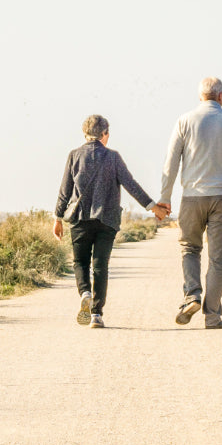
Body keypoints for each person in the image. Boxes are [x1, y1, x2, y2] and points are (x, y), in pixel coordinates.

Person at [154, 77, 222, 329]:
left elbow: (170, 163)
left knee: (190, 249)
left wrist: (165, 197)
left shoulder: (184, 121)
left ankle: (192, 294)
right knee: (219, 261)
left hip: (192, 196)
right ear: (221, 97)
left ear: (200, 96)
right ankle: (212, 315)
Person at [53, 114, 168, 328]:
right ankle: (96, 314)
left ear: (84, 134)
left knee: (80, 262)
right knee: (100, 266)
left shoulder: (74, 156)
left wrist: (58, 217)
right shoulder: (113, 157)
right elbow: (130, 185)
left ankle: (85, 292)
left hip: (80, 219)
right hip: (107, 219)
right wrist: (154, 207)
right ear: (105, 134)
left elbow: (65, 190)